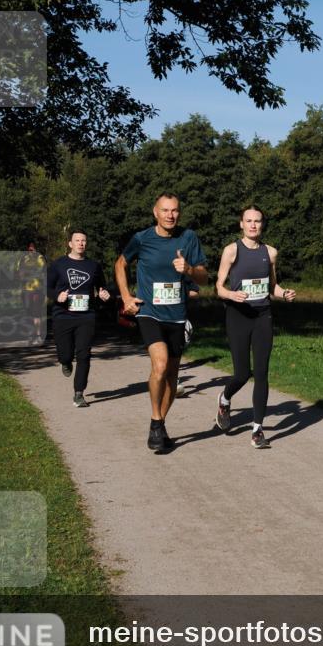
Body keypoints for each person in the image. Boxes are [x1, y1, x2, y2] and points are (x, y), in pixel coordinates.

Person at [115, 193, 208, 453]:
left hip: (177, 315)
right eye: (165, 210)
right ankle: (156, 419)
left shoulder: (188, 238)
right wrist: (126, 297)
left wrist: (189, 270)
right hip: (149, 312)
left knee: (172, 376)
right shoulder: (142, 238)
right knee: (160, 364)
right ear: (155, 212)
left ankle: (159, 423)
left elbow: (203, 278)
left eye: (175, 210)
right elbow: (120, 264)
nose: (170, 215)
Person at [214, 206, 296, 449]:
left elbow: (272, 286)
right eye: (248, 221)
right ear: (241, 224)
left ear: (262, 224)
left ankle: (257, 430)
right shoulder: (231, 250)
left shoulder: (270, 252)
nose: (253, 225)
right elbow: (218, 287)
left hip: (263, 316)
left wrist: (284, 293)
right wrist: (231, 294)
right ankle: (225, 399)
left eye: (257, 221)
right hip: (238, 316)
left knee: (261, 372)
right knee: (242, 374)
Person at [47, 230, 110, 408]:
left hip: (86, 316)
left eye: (83, 240)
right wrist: (57, 295)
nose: (81, 243)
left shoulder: (93, 266)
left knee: (84, 354)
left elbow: (101, 286)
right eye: (77, 240)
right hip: (63, 315)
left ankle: (79, 393)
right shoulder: (58, 264)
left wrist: (104, 293)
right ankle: (65, 362)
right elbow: (47, 286)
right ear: (70, 244)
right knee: (66, 354)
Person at [18, 242, 46, 345]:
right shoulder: (22, 259)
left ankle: (38, 336)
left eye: (33, 249)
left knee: (36, 313)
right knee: (28, 313)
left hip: (37, 289)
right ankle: (30, 335)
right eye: (29, 249)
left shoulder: (40, 258)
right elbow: (20, 274)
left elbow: (41, 272)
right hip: (26, 290)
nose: (31, 251)